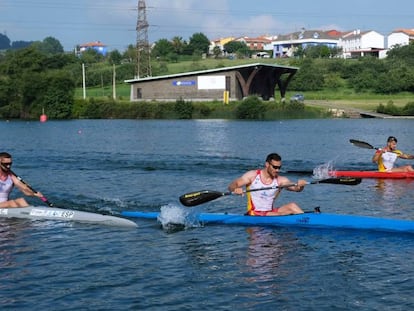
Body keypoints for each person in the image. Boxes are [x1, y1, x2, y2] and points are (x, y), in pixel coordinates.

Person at [228, 153, 306, 216]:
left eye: (279, 167)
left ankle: (306, 220)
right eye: (275, 167)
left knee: (292, 206)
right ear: (267, 164)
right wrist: (235, 189)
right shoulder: (252, 175)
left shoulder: (280, 180)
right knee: (281, 214)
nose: (277, 170)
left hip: (270, 212)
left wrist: (300, 185)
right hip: (254, 213)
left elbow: (296, 188)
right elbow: (233, 184)